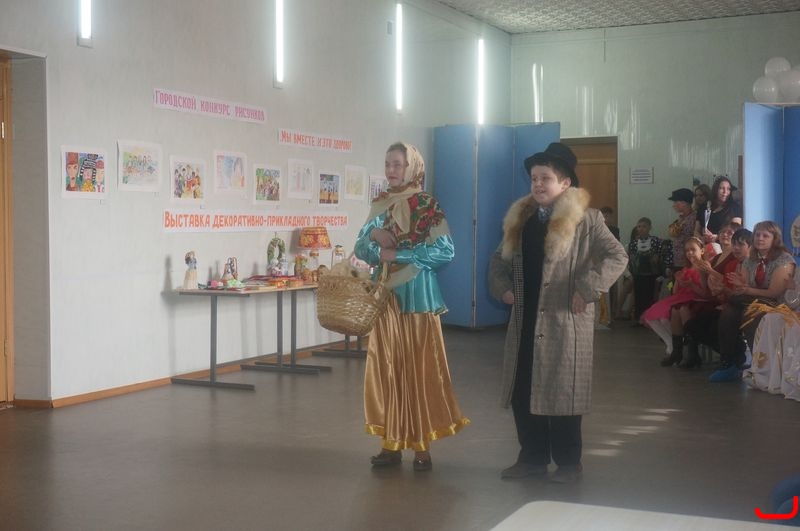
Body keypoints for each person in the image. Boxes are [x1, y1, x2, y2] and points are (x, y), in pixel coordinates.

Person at [488, 142, 627, 483]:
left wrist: (587, 288)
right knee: (524, 388)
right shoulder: (520, 219)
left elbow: (617, 256)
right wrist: (502, 288)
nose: (538, 184)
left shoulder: (588, 220)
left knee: (564, 391)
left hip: (565, 320)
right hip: (525, 319)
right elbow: (498, 261)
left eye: (546, 178)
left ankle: (568, 463)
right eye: (534, 178)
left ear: (565, 183)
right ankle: (532, 458)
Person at [354, 141, 469, 471]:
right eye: (387, 164)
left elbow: (445, 251)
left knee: (418, 370)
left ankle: (422, 446)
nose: (391, 170)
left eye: (397, 164)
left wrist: (398, 254)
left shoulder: (427, 204)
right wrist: (374, 237)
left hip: (417, 296)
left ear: (412, 167)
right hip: (386, 298)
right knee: (387, 370)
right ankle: (390, 443)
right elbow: (360, 248)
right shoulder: (381, 204)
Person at [710, 220, 795, 382]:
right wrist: (737, 286)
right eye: (757, 235)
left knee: (746, 312)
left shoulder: (784, 259)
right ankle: (729, 362)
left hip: (778, 304)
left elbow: (774, 293)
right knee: (729, 313)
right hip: (751, 301)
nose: (760, 238)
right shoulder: (751, 259)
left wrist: (745, 290)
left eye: (765, 235)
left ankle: (760, 367)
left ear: (775, 238)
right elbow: (743, 288)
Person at [681, 227, 752, 369]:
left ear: (750, 246)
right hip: (724, 301)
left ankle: (732, 358)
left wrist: (720, 286)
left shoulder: (752, 264)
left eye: (740, 244)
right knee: (691, 325)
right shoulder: (728, 263)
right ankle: (732, 355)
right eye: (735, 244)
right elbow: (716, 289)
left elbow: (738, 291)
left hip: (740, 304)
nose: (736, 248)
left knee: (717, 321)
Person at [642, 237, 710, 366]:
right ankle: (675, 348)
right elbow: (675, 292)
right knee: (658, 314)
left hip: (696, 299)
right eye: (687, 250)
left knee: (679, 310)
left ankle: (689, 352)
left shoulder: (703, 267)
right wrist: (678, 281)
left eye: (693, 250)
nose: (690, 253)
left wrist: (691, 285)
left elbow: (705, 292)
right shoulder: (685, 269)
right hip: (682, 298)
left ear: (702, 250)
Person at [628, 217, 670, 322]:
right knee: (638, 296)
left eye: (644, 226)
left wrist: (659, 257)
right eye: (639, 227)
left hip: (652, 274)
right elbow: (631, 258)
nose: (641, 229)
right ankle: (639, 318)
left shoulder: (656, 241)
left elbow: (666, 247)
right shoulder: (633, 243)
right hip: (638, 274)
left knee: (651, 296)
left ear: (649, 228)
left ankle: (650, 319)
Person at [694, 176, 743, 247]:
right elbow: (696, 231)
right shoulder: (704, 207)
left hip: (724, 247)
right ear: (715, 190)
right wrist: (701, 238)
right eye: (721, 188)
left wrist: (717, 237)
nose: (725, 192)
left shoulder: (735, 208)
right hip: (705, 247)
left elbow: (736, 232)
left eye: (728, 189)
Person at [666, 188, 696, 272]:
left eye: (676, 202)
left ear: (684, 202)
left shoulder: (694, 219)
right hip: (677, 261)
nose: (673, 205)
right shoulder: (680, 219)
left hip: (688, 261)